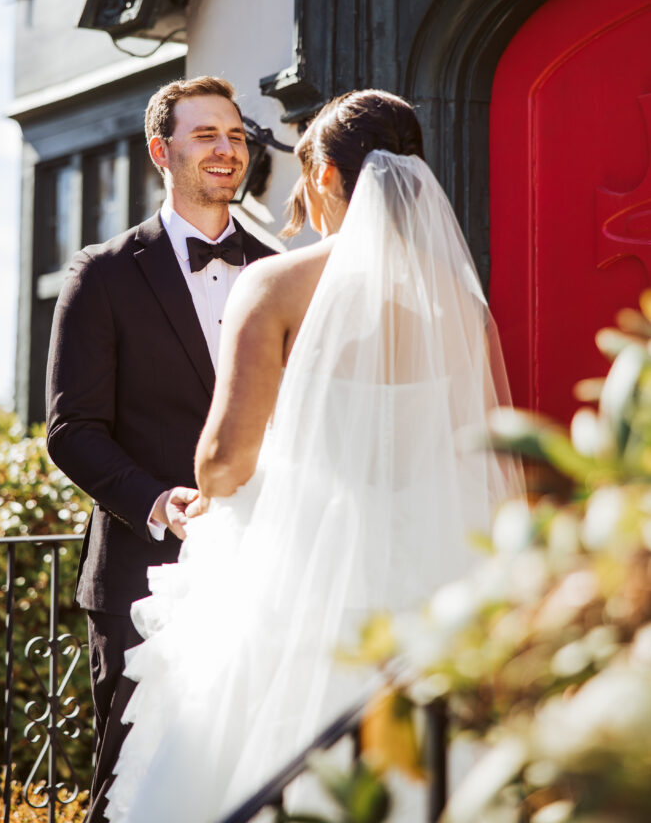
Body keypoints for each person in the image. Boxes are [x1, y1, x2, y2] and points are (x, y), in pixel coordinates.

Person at [105, 89, 524, 823]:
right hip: (430, 577)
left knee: (265, 763)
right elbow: (488, 449)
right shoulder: (461, 305)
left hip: (302, 583)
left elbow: (223, 463)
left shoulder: (276, 283)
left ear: (326, 177)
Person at [45, 76, 275, 823]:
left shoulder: (280, 269)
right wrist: (153, 500)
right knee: (131, 790)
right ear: (160, 151)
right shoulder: (103, 273)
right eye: (205, 134)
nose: (225, 148)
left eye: (236, 135)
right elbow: (71, 429)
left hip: (265, 572)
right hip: (141, 583)